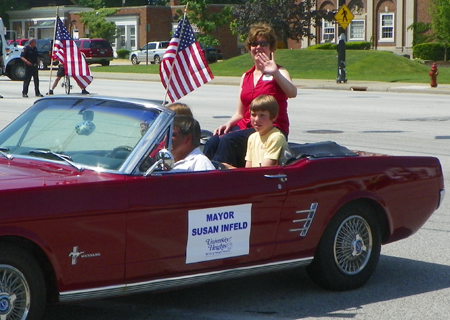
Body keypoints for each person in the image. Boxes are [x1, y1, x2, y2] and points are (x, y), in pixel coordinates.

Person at [203, 22, 297, 168]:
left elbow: (292, 93)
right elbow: (240, 113)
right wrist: (228, 124)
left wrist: (275, 72)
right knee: (213, 141)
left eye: (263, 43)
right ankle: (202, 174)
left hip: (270, 127)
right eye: (254, 43)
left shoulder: (280, 72)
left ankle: (222, 178)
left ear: (271, 47)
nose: (258, 47)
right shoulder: (246, 76)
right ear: (249, 48)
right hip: (246, 126)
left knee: (229, 140)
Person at [245, 95, 288, 168]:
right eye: (253, 115)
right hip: (255, 176)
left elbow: (265, 169)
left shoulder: (276, 137)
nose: (256, 119)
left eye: (262, 115)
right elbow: (248, 168)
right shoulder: (252, 138)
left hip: (269, 177)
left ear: (274, 117)